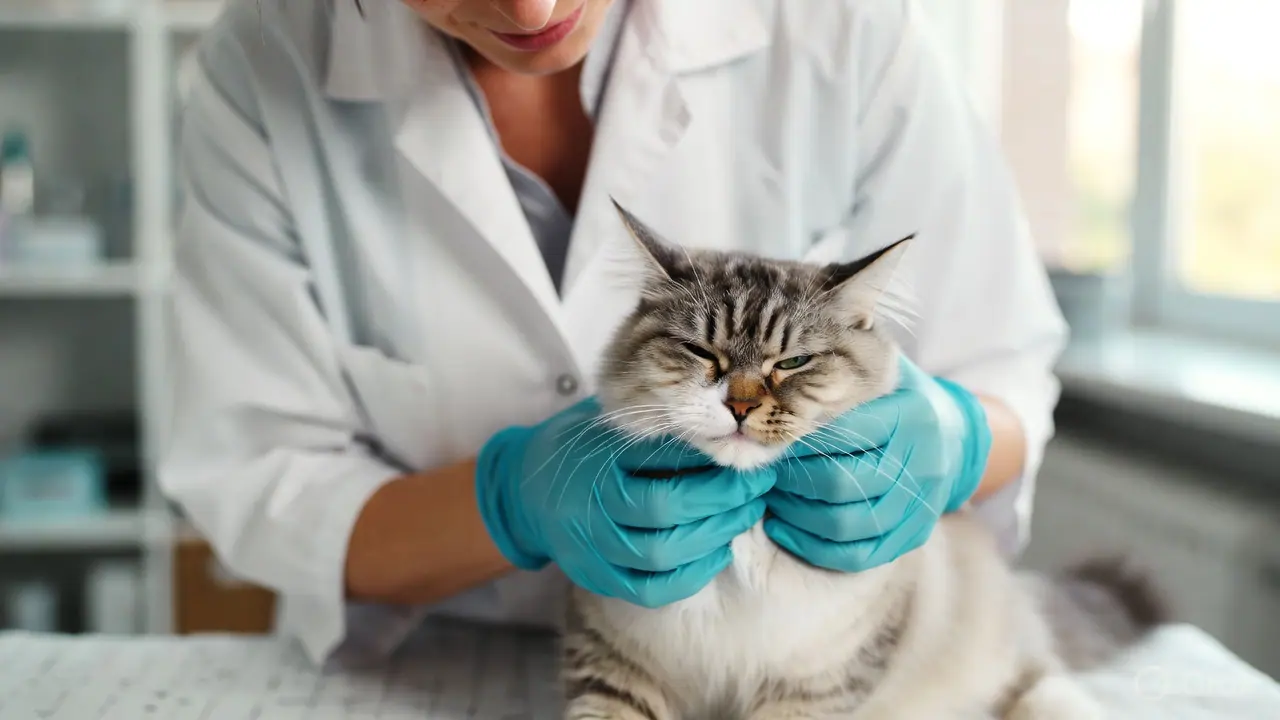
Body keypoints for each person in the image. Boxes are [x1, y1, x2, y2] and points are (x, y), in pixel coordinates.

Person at [160, 0, 1068, 666]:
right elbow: (262, 477)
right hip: (425, 654)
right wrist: (509, 499)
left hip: (782, 655)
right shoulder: (262, 65)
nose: (531, 9)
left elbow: (1006, 368)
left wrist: (952, 439)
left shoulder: (842, 31)